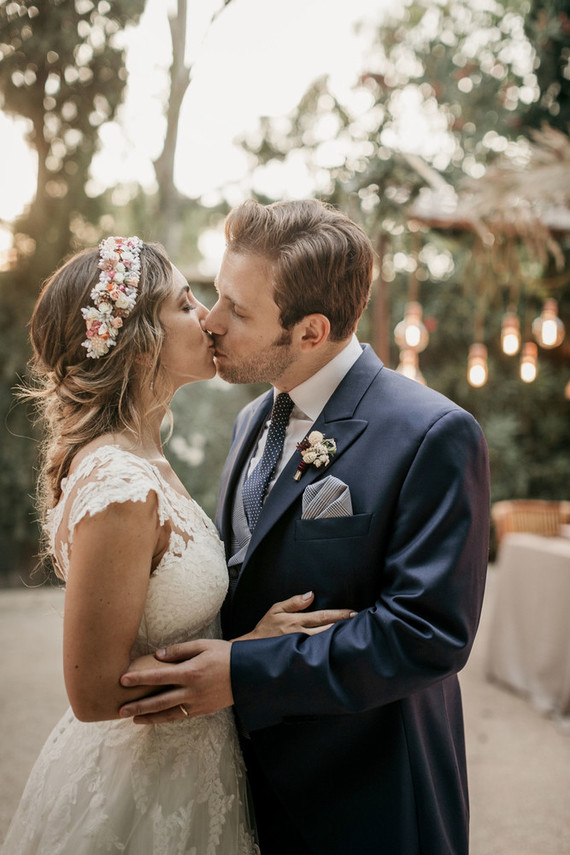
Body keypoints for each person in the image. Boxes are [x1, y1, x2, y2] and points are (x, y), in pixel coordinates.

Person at [120, 200, 491, 855]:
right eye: (216, 295)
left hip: (369, 801)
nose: (210, 320)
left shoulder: (433, 433)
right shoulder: (250, 422)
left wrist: (246, 671)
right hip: (245, 794)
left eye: (238, 311)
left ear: (312, 331)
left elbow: (428, 634)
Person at [1, 235, 352, 855]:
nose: (209, 320)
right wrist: (245, 653)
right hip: (139, 788)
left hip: (196, 771)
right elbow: (94, 692)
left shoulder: (148, 458)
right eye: (186, 304)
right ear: (140, 343)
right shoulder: (120, 484)